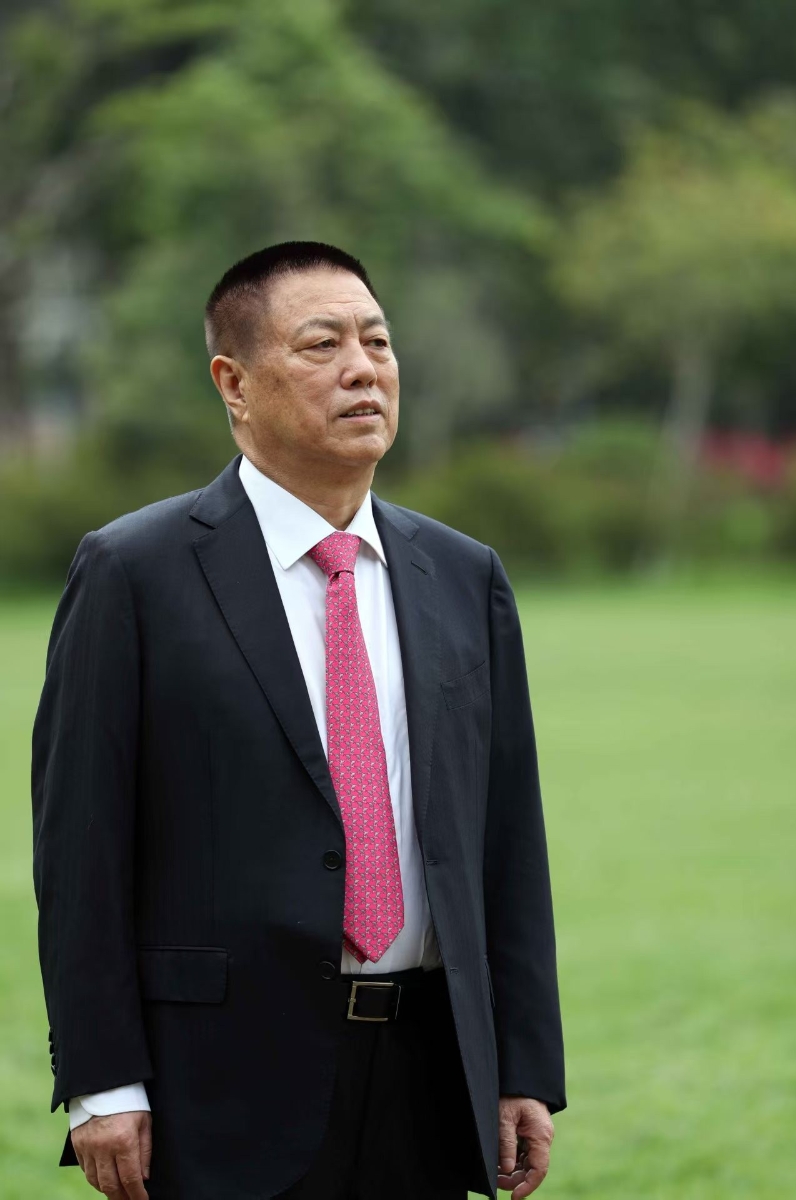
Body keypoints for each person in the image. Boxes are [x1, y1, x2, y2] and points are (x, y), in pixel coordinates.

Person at [31, 241, 565, 1200]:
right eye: (323, 345)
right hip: (221, 1086)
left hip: (430, 1081)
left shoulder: (463, 574)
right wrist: (102, 1083)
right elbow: (81, 850)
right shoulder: (134, 572)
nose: (364, 368)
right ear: (233, 383)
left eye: (378, 342)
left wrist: (521, 1063)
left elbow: (507, 839)